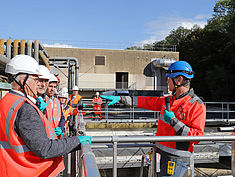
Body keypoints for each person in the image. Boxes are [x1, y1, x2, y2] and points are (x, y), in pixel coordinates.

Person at [101, 61, 206, 176]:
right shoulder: (169, 100)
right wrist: (121, 99)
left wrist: (173, 121)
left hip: (177, 159)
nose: (167, 81)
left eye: (169, 78)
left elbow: (197, 137)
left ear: (179, 80)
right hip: (162, 153)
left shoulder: (196, 105)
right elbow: (146, 101)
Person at [0, 55, 92, 177]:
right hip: (31, 171)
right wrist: (76, 141)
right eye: (35, 79)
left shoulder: (6, 101)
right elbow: (45, 149)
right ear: (23, 81)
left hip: (11, 169)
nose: (38, 84)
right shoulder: (25, 108)